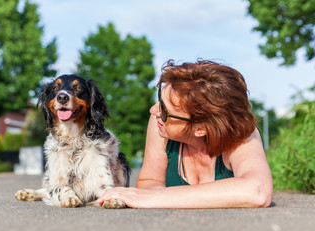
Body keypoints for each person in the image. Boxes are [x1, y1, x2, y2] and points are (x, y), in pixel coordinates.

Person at [98, 59, 273, 208]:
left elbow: (257, 191)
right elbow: (148, 182)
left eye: (166, 111)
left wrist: (158, 197)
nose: (154, 110)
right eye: (159, 100)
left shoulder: (243, 135)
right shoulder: (160, 125)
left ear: (200, 129)